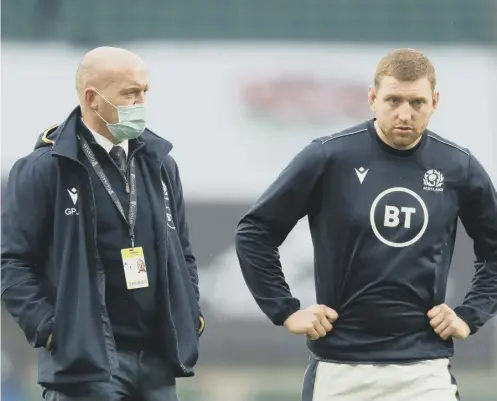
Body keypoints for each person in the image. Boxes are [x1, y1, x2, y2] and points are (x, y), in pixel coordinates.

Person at [235, 48, 497, 401]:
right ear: (372, 98)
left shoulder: (458, 166)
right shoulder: (329, 156)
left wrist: (470, 314)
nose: (405, 113)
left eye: (417, 103)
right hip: (341, 370)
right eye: (393, 100)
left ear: (435, 102)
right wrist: (285, 310)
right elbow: (256, 233)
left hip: (425, 370)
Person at [1, 46, 205, 401]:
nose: (141, 101)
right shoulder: (46, 168)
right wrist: (52, 331)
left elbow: (183, 253)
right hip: (85, 366)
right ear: (92, 98)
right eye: (130, 93)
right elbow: (12, 263)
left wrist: (190, 314)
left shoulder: (159, 164)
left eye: (144, 91)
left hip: (157, 360)